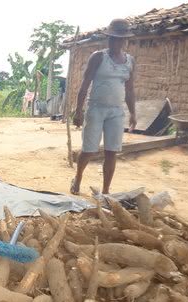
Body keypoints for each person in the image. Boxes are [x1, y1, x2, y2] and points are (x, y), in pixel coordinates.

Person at [71, 18, 136, 195]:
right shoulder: (98, 57)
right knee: (89, 150)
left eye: (120, 39)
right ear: (109, 38)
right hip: (96, 109)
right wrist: (78, 111)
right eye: (113, 38)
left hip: (116, 112)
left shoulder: (129, 61)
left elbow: (130, 90)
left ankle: (106, 191)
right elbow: (85, 85)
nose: (116, 42)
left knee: (111, 152)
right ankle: (78, 177)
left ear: (125, 40)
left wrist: (133, 113)